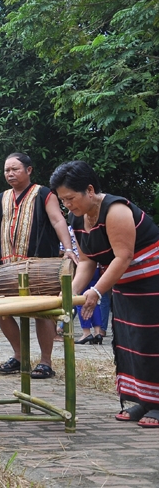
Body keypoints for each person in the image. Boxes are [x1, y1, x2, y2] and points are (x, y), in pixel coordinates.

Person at [51, 160, 159, 428]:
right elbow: (87, 262)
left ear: (89, 190)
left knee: (151, 342)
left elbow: (123, 257)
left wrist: (97, 292)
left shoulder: (116, 210)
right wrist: (69, 296)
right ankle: (142, 401)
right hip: (124, 286)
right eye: (63, 201)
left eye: (71, 198)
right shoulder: (77, 217)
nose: (67, 205)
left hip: (151, 283)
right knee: (128, 342)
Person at [0, 152, 75, 379]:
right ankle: (19, 355)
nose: (10, 174)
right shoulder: (0, 198)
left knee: (42, 314)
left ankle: (45, 362)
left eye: (15, 169)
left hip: (38, 264)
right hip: (8, 266)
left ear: (29, 170)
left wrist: (69, 248)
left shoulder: (44, 194)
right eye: (6, 170)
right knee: (2, 312)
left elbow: (57, 220)